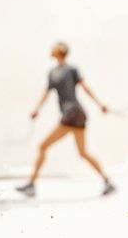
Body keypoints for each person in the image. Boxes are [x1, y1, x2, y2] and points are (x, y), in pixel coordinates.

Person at [16, 42, 115, 196]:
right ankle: (107, 181)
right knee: (83, 152)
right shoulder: (57, 71)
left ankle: (31, 185)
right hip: (79, 114)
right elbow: (49, 93)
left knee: (42, 146)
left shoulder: (63, 71)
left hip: (71, 114)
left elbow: (83, 87)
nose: (50, 49)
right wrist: (99, 104)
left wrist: (100, 104)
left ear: (59, 51)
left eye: (53, 48)